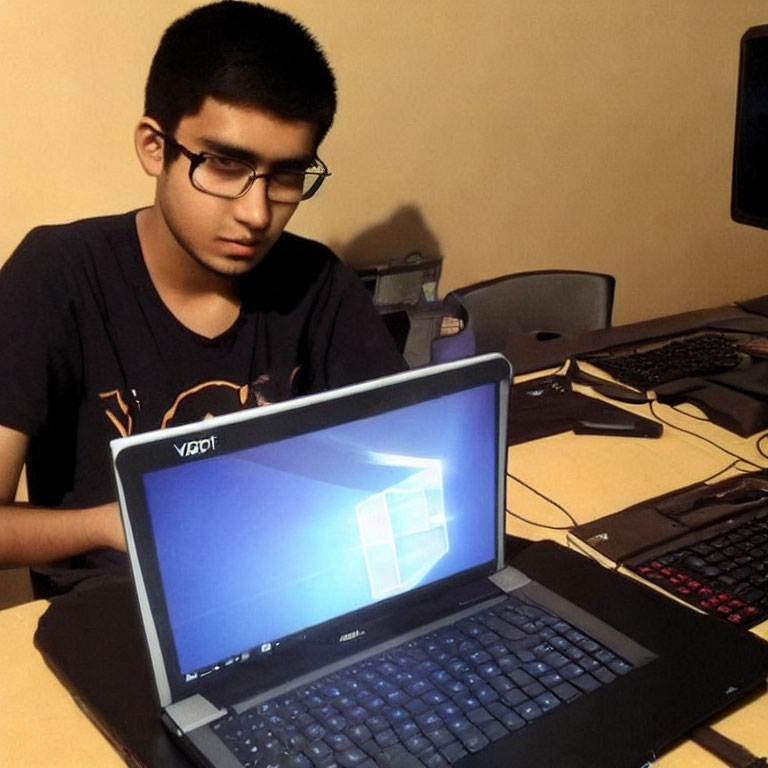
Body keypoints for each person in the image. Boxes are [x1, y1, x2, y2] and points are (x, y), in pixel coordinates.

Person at [0, 1, 406, 597]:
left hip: (293, 589)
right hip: (119, 608)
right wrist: (120, 523)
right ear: (153, 147)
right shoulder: (57, 274)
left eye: (286, 176)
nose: (257, 212)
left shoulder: (316, 281)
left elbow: (398, 457)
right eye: (223, 164)